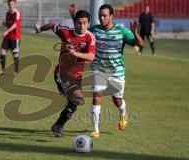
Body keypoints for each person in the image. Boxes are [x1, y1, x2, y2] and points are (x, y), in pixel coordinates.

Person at [69, 3, 143, 139]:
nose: (101, 18)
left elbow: (140, 44)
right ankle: (95, 130)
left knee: (117, 100)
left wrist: (135, 32)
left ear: (111, 16)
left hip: (117, 72)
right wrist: (74, 16)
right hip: (99, 69)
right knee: (96, 96)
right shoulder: (94, 30)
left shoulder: (121, 31)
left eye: (104, 16)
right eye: (100, 16)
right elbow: (81, 30)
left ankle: (123, 113)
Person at [35, 10, 96, 137]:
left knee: (73, 104)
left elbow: (91, 56)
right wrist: (40, 29)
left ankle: (58, 126)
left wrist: (75, 53)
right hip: (62, 74)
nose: (82, 26)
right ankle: (59, 125)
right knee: (78, 99)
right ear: (75, 22)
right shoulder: (65, 32)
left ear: (88, 23)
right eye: (79, 23)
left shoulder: (90, 37)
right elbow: (52, 26)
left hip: (77, 75)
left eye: (85, 23)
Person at [0, 0, 21, 76]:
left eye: (12, 4)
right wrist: (2, 22)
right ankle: (3, 70)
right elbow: (8, 23)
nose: (10, 5)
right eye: (9, 4)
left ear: (14, 4)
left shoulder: (17, 13)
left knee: (15, 55)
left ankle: (16, 71)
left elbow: (15, 25)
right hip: (7, 37)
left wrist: (6, 31)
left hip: (15, 38)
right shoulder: (8, 13)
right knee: (2, 52)